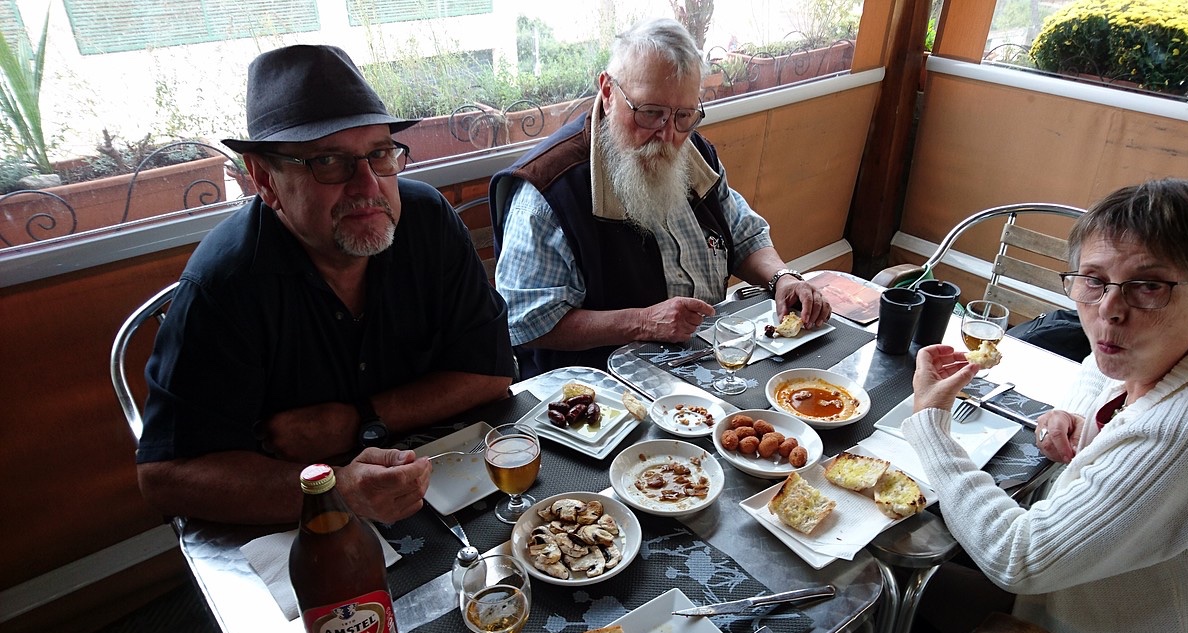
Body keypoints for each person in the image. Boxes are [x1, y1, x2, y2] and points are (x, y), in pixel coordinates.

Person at [904, 178, 1188, 633]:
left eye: (1148, 286)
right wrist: (1074, 416)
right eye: (1094, 281)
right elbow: (1095, 365)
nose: (1109, 311)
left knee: (901, 586)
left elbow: (1018, 557)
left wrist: (930, 425)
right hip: (1119, 594)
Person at [136, 45, 515, 526]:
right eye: (329, 161)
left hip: (446, 483)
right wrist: (333, 491)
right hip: (297, 525)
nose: (368, 186)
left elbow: (491, 373)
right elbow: (166, 476)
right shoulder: (225, 283)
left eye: (379, 154)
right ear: (264, 179)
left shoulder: (428, 221)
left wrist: (357, 420)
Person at [489, 17, 831, 378]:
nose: (667, 135)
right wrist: (642, 322)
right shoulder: (549, 192)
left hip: (702, 365)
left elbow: (742, 233)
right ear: (608, 92)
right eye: (651, 113)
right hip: (600, 391)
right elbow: (525, 320)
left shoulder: (694, 153)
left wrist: (782, 278)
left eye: (684, 116)